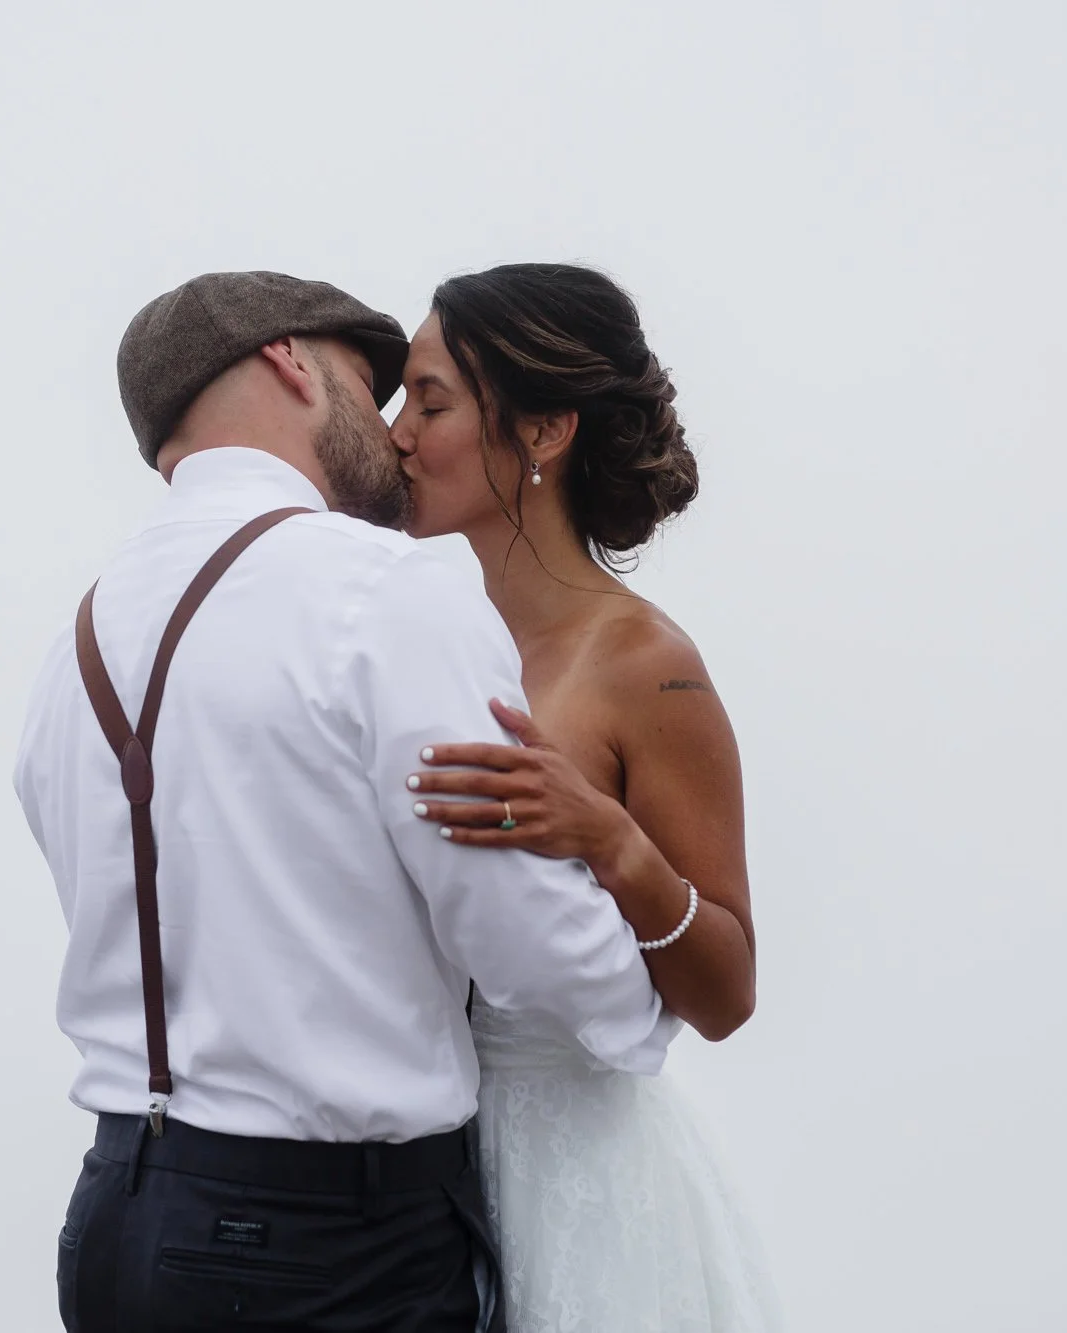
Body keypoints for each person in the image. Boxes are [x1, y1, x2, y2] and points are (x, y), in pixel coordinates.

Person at [13, 271, 681, 1332]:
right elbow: (515, 928)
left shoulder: (80, 635)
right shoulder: (385, 589)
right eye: (373, 388)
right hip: (327, 1245)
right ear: (290, 362)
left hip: (112, 1226)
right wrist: (637, 1012)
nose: (390, 429)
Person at [388, 263, 784, 1331]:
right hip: (398, 1188)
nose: (394, 434)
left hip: (586, 1194)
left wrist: (612, 841)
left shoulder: (648, 667)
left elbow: (728, 994)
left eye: (428, 401)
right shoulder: (402, 642)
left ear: (543, 431)